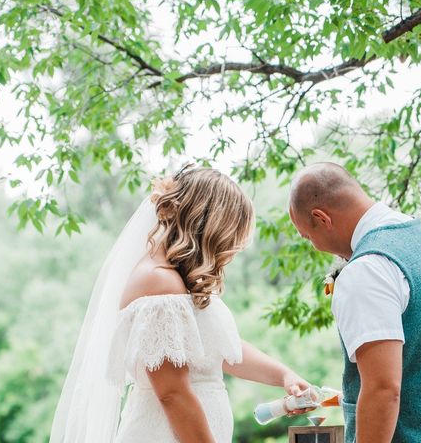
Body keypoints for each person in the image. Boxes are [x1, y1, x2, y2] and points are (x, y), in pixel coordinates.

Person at [50, 165, 310, 443]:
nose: (230, 250)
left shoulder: (175, 281)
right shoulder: (157, 283)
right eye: (229, 236)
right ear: (208, 226)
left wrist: (284, 376)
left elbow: (221, 350)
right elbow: (172, 392)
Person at [288, 162, 421, 443]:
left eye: (308, 236)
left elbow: (383, 390)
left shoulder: (368, 269)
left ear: (322, 218)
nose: (313, 245)